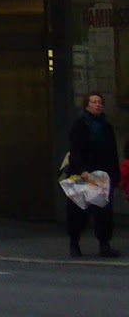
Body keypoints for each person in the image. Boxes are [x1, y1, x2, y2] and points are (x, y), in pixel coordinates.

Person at [66, 91, 120, 258]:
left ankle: (104, 243)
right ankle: (74, 242)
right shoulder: (80, 125)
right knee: (79, 209)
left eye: (100, 102)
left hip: (102, 174)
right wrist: (81, 169)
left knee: (104, 210)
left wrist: (114, 174)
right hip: (84, 173)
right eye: (94, 102)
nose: (98, 105)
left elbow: (112, 152)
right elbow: (75, 150)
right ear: (86, 105)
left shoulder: (106, 127)